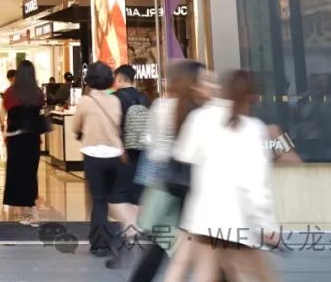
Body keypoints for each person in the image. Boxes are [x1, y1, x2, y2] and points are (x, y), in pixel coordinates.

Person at [170, 70, 279, 282]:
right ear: (252, 97)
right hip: (238, 219)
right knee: (263, 276)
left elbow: (184, 154)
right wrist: (266, 224)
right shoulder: (254, 129)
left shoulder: (201, 117)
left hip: (204, 217)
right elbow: (256, 184)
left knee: (205, 275)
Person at [128, 60, 207, 282]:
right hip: (190, 184)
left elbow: (150, 145)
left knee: (162, 245)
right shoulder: (197, 112)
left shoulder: (160, 107)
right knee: (199, 247)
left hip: (167, 181)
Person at [72, 61, 131, 260]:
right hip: (114, 154)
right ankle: (121, 232)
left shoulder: (85, 101)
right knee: (108, 198)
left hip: (93, 154)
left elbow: (75, 127)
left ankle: (99, 243)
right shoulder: (115, 100)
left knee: (98, 199)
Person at [2, 61, 45, 226]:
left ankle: (20, 209)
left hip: (15, 138)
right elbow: (40, 111)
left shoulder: (10, 92)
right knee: (30, 173)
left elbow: (8, 110)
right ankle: (31, 210)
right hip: (32, 138)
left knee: (16, 172)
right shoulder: (37, 92)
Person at [113, 65, 152, 232]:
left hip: (123, 152)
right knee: (138, 192)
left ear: (119, 78)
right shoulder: (145, 98)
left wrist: (119, 147)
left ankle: (131, 228)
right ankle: (138, 226)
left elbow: (114, 126)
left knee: (119, 193)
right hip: (143, 151)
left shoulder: (115, 99)